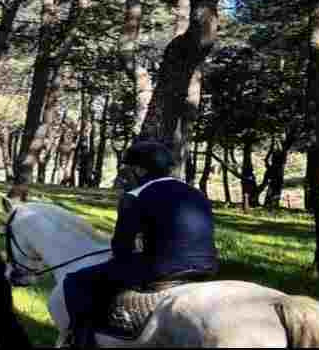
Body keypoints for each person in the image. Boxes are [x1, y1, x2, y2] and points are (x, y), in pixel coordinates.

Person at [62, 139, 219, 348]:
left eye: (129, 169)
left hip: (162, 270)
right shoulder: (195, 193)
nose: (128, 174)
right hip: (207, 267)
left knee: (76, 281)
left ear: (139, 170)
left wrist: (123, 257)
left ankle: (81, 341)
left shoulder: (135, 196)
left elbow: (121, 247)